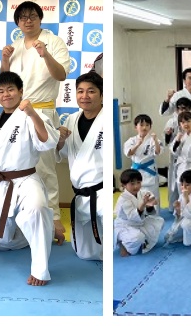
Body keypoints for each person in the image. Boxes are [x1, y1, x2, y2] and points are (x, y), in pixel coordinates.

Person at [2, 1, 76, 243]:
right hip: (17, 112)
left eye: (32, 16)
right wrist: (5, 61)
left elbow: (61, 75)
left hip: (42, 111)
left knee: (45, 168)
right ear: (17, 22)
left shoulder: (53, 41)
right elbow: (6, 83)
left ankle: (53, 217)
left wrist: (45, 54)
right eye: (22, 17)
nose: (28, 21)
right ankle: (22, 214)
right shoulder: (14, 46)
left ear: (40, 18)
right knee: (18, 165)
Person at [0, 71, 58, 286]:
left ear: (21, 91)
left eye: (10, 89)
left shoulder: (31, 115)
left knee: (37, 210)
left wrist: (32, 114)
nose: (6, 94)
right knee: (1, 244)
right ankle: (44, 232)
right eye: (1, 91)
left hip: (26, 180)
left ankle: (40, 270)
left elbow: (47, 141)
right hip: (2, 184)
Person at [56, 72, 105, 260]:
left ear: (101, 94)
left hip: (101, 192)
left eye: (91, 91)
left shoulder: (106, 119)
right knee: (83, 253)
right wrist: (60, 141)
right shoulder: (71, 120)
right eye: (80, 91)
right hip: (80, 193)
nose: (85, 96)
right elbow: (63, 153)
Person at [114, 169, 164, 256]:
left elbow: (149, 212)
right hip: (126, 225)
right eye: (132, 183)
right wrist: (143, 204)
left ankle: (141, 241)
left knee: (159, 222)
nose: (136, 186)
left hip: (140, 222)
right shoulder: (123, 199)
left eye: (138, 182)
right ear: (124, 185)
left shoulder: (143, 192)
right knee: (138, 238)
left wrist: (149, 206)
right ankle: (123, 243)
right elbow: (133, 216)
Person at [125, 115, 161, 205]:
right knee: (137, 196)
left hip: (150, 171)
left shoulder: (153, 139)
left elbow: (157, 152)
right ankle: (138, 212)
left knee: (153, 195)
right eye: (141, 125)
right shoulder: (131, 140)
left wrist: (155, 141)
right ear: (135, 127)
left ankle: (154, 212)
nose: (144, 127)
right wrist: (137, 144)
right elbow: (128, 153)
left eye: (147, 125)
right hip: (136, 171)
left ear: (150, 127)